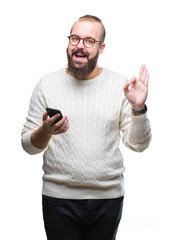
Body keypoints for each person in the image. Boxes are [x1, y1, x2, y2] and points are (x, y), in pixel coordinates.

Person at [21, 15, 151, 240]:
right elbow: (28, 146)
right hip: (58, 200)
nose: (80, 45)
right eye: (75, 38)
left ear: (101, 47)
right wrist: (46, 131)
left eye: (89, 41)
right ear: (68, 42)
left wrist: (138, 108)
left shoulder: (120, 86)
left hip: (108, 199)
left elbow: (138, 145)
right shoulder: (47, 84)